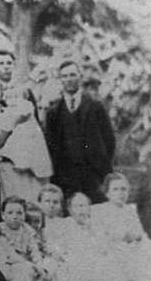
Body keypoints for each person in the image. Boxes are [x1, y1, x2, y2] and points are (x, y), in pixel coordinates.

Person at [43, 60, 115, 203]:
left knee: (96, 214)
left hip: (94, 175)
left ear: (80, 77)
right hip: (65, 176)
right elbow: (50, 146)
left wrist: (101, 166)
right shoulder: (53, 112)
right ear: (60, 80)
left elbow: (109, 140)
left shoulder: (96, 106)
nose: (69, 79)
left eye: (72, 75)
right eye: (64, 76)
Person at [0, 196, 66, 281]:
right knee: (22, 271)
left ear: (24, 215)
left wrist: (39, 265)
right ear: (3, 215)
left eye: (19, 213)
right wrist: (31, 265)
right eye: (10, 212)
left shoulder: (27, 230)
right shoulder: (0, 231)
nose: (15, 216)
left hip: (27, 264)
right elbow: (10, 254)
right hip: (8, 264)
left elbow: (34, 250)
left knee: (46, 269)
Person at [91, 172, 151, 281]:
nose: (120, 193)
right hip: (112, 248)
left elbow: (139, 232)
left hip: (131, 247)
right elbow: (99, 235)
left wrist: (136, 237)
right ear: (107, 193)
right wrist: (122, 236)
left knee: (148, 248)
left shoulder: (130, 209)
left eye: (124, 189)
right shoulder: (100, 210)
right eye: (115, 189)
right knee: (116, 256)